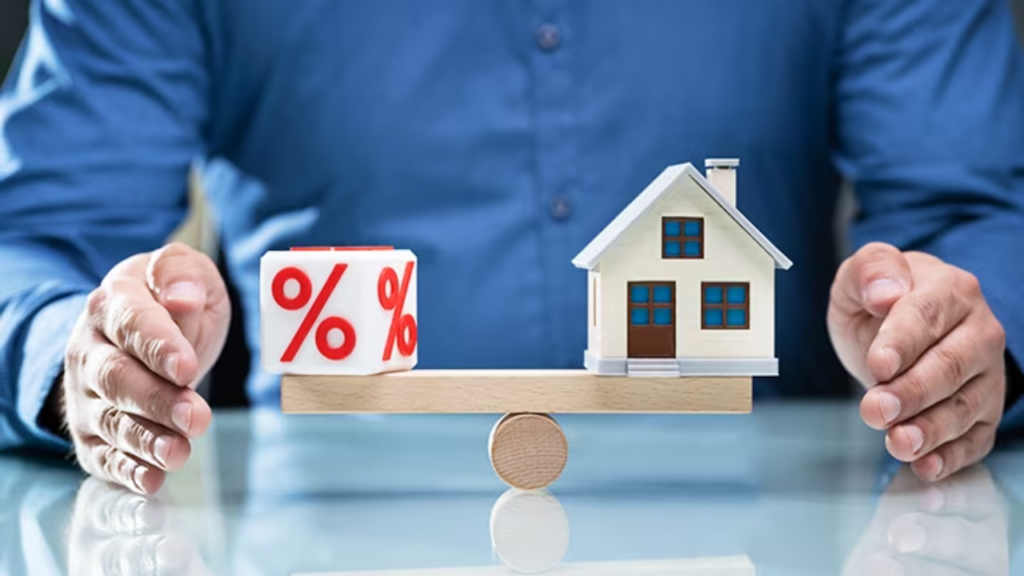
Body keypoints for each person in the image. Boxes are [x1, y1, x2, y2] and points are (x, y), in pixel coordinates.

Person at [1, 0, 1022, 495]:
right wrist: (82, 356)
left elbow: (977, 216)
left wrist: (946, 336)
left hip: (780, 521)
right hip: (322, 527)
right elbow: (32, 245)